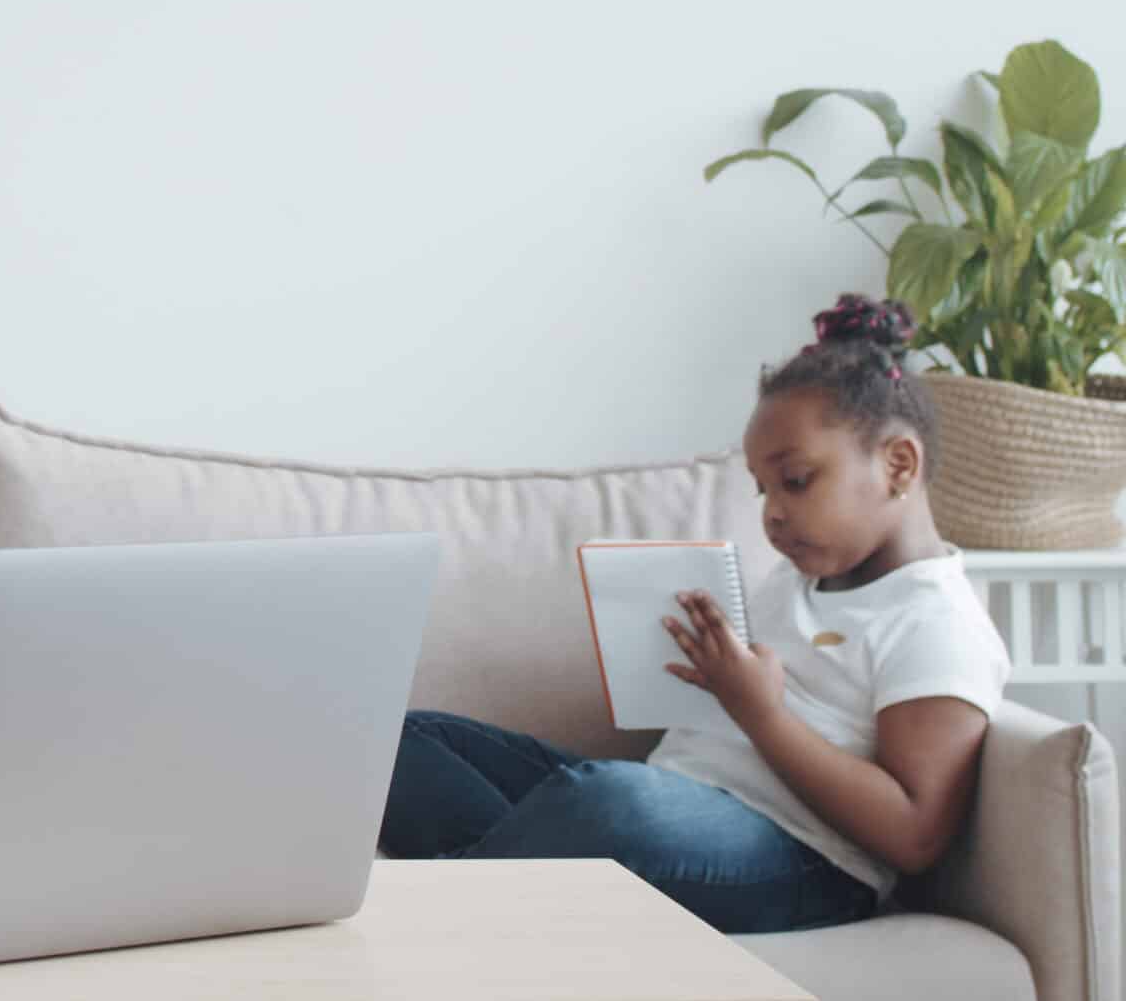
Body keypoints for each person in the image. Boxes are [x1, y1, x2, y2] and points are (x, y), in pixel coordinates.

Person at [379, 294, 1010, 933]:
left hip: (804, 861)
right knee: (400, 740)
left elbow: (914, 835)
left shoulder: (937, 623)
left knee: (610, 801)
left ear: (898, 464)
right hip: (674, 803)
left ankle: (447, 916)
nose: (773, 513)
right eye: (763, 490)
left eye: (795, 480)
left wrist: (759, 713)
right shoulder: (793, 583)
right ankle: (502, 883)